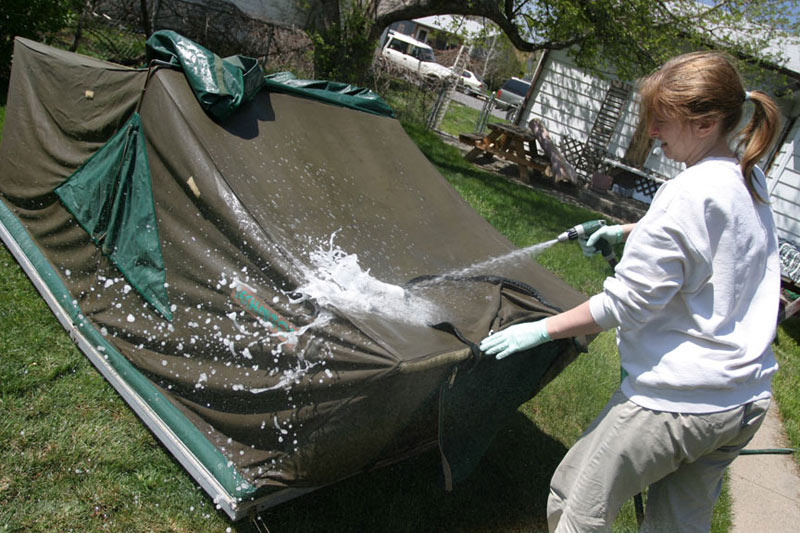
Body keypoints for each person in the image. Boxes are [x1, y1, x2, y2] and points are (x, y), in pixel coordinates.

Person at [480, 50, 781, 532]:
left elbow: (623, 303)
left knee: (576, 504)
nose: (653, 133)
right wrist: (630, 231)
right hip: (740, 402)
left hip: (677, 404)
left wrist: (540, 331)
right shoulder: (750, 176)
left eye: (661, 121)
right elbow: (714, 239)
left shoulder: (686, 193)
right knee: (677, 527)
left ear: (705, 124)